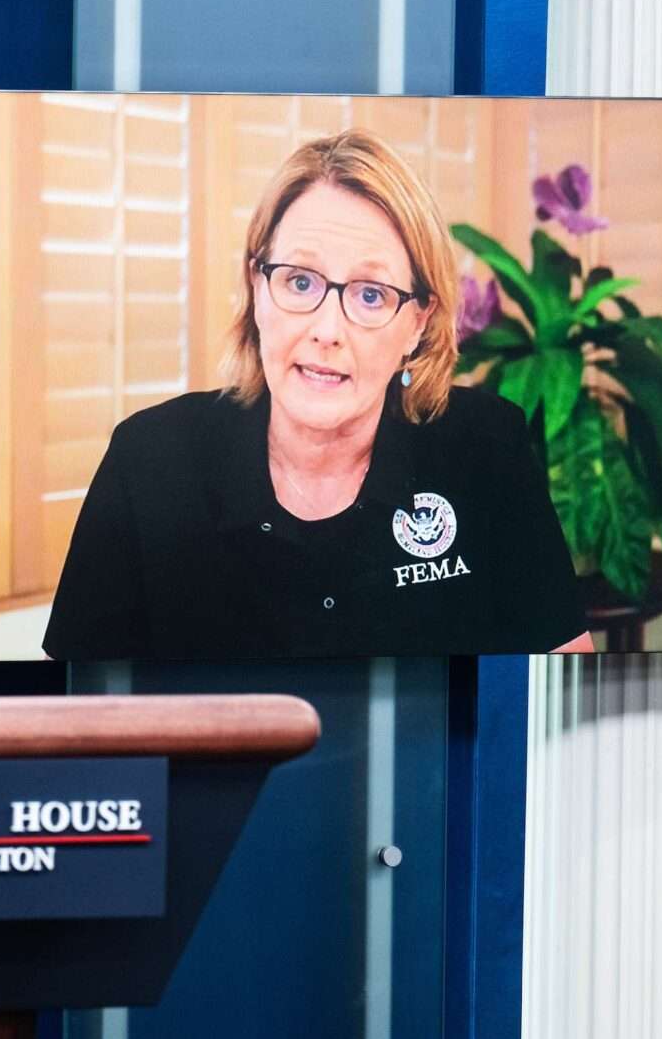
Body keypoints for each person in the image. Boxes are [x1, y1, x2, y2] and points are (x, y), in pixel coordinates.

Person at [43, 129, 595, 661]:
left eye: (372, 294)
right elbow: (74, 720)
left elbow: (563, 685)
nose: (327, 330)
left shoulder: (486, 446)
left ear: (418, 323)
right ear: (258, 287)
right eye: (300, 281)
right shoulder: (149, 459)